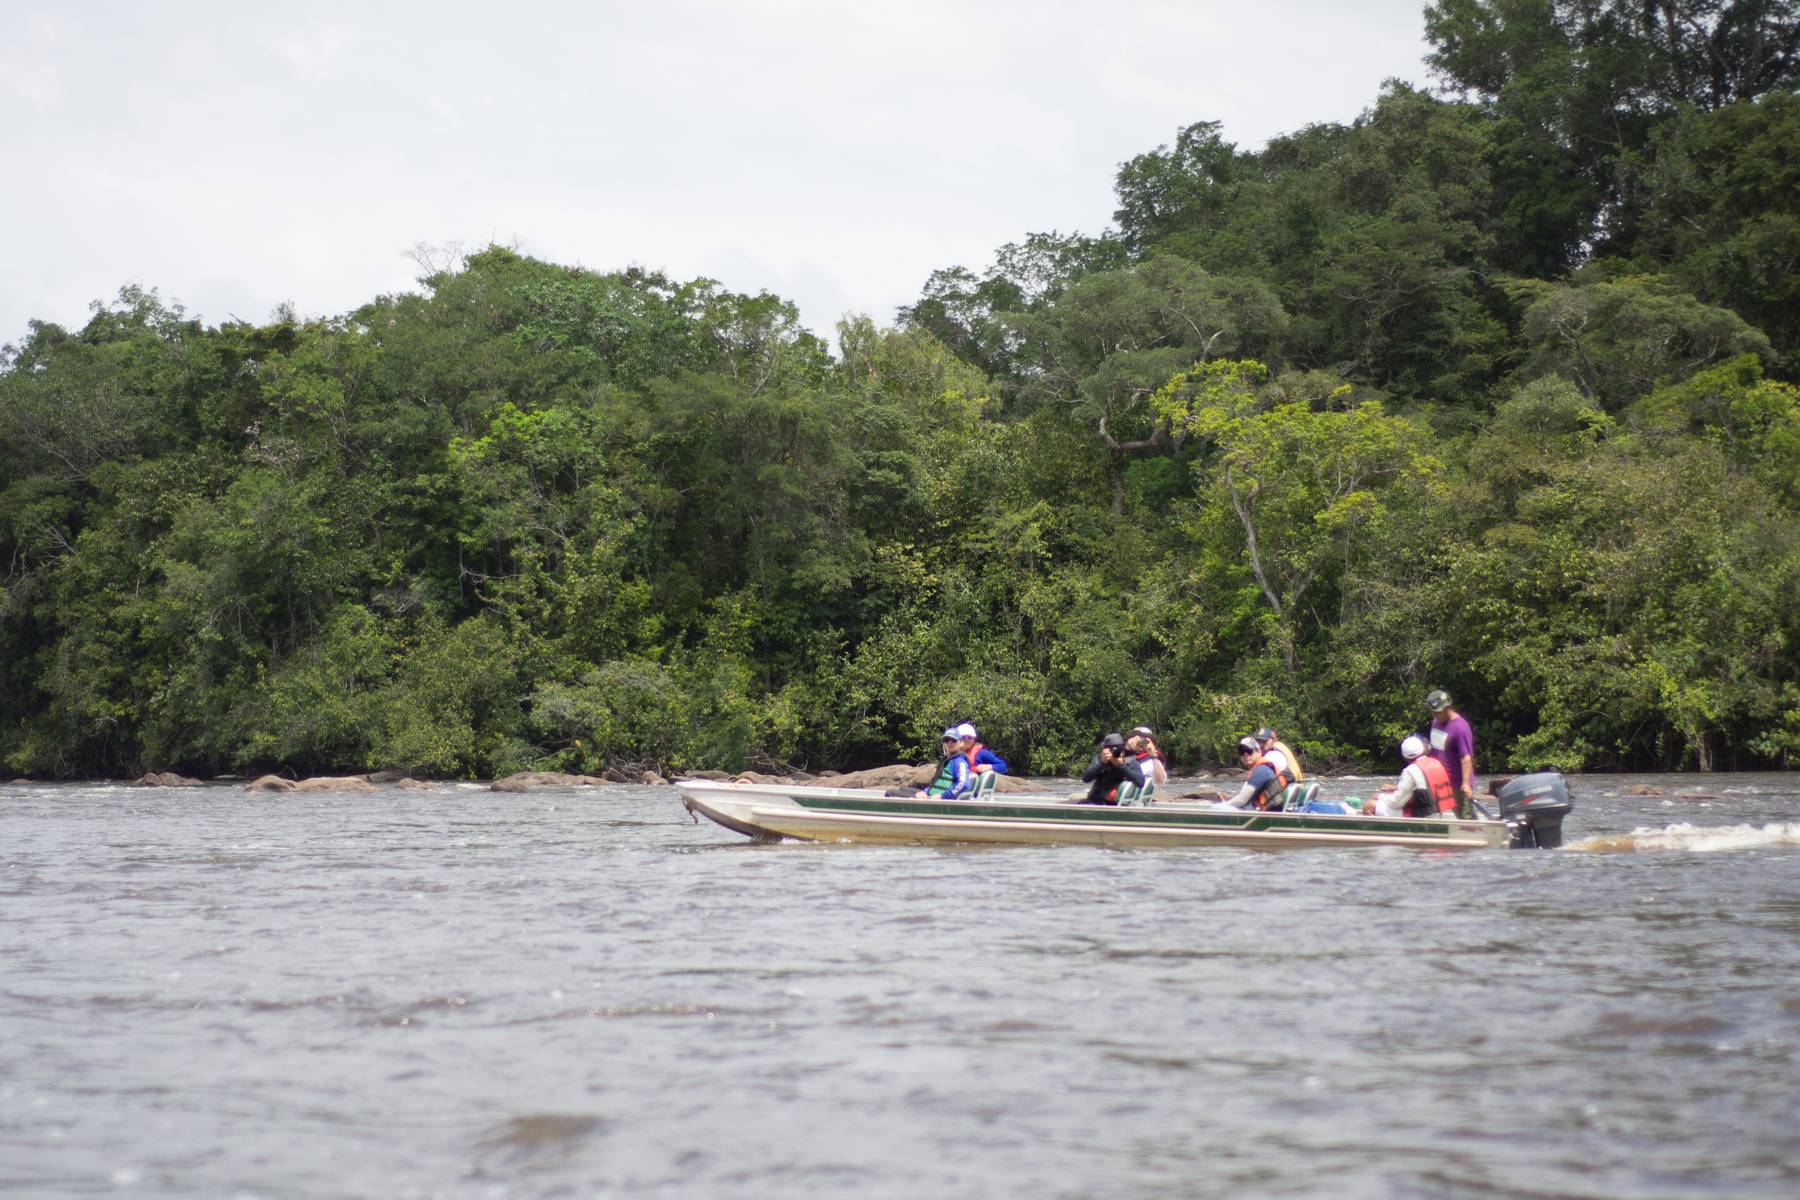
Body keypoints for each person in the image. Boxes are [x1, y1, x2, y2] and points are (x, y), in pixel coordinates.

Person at [1374, 734, 1456, 818]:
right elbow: (1424, 786)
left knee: (1370, 806)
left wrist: (1380, 797)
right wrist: (1396, 788)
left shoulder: (1411, 770)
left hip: (1423, 815)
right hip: (1440, 812)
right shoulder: (1436, 763)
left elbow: (1397, 802)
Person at [1425, 689, 1476, 818]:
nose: (1436, 716)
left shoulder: (1460, 727)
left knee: (1466, 819)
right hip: (1439, 781)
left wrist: (1465, 783)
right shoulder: (1435, 723)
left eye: (1439, 713)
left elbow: (1466, 757)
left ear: (1448, 708)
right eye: (1433, 713)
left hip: (1457, 784)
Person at [1217, 735, 1290, 809]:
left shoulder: (1261, 771)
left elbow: (1242, 800)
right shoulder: (1259, 769)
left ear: (1259, 752)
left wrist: (1220, 807)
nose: (1245, 754)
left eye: (1249, 751)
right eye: (1242, 752)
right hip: (1264, 810)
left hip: (1269, 814)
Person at [1078, 732, 1145, 805]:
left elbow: (1141, 782)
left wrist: (1121, 767)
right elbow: (1086, 778)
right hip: (1096, 800)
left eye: (1119, 750)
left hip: (1114, 803)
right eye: (1111, 750)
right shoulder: (1100, 759)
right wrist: (1101, 763)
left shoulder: (1130, 761)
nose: (1115, 753)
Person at [916, 728, 974, 799]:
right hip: (931, 798)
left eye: (953, 740)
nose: (949, 742)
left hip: (944, 803)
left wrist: (942, 796)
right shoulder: (946, 761)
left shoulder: (960, 762)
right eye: (946, 740)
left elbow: (963, 784)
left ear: (961, 743)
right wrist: (925, 792)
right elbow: (936, 783)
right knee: (903, 790)